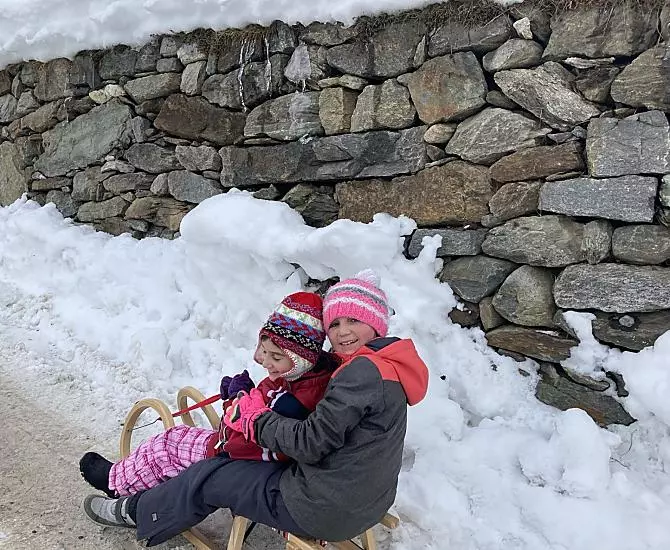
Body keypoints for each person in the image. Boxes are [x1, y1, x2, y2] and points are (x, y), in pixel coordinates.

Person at [82, 270, 429, 546]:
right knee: (223, 466)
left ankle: (136, 511)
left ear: (376, 323)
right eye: (335, 323)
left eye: (354, 321)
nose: (343, 332)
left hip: (322, 507)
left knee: (212, 475)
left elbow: (309, 442)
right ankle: (141, 487)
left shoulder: (362, 373)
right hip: (365, 501)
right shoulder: (386, 366)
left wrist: (254, 418)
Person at [79, 291, 334, 498]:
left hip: (240, 459)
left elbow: (247, 431)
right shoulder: (299, 379)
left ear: (302, 359)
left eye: (276, 357)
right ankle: (137, 478)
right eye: (264, 352)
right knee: (176, 440)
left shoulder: (293, 402)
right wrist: (242, 394)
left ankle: (116, 483)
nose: (266, 362)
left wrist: (237, 398)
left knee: (168, 446)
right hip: (246, 453)